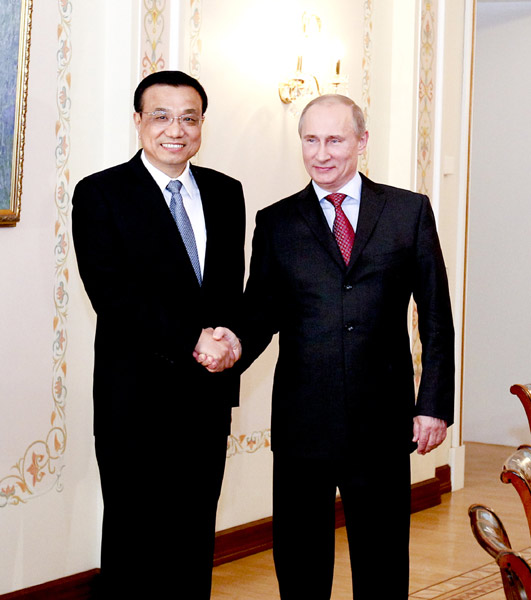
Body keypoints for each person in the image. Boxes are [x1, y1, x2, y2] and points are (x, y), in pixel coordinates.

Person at [198, 94, 454, 598]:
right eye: (310, 140)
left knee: (381, 562)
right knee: (300, 562)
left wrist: (433, 405)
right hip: (303, 425)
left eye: (335, 139)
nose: (322, 153)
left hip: (381, 423)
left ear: (361, 141)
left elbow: (436, 316)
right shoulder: (276, 222)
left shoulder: (408, 212)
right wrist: (229, 344)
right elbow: (261, 311)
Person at [72, 70, 245, 599]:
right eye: (162, 116)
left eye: (189, 118)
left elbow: (230, 290)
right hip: (136, 400)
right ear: (138, 122)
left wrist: (231, 339)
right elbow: (113, 295)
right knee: (134, 541)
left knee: (194, 539)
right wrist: (195, 338)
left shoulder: (225, 192)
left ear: (201, 125)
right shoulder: (101, 193)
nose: (177, 129)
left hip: (207, 399)